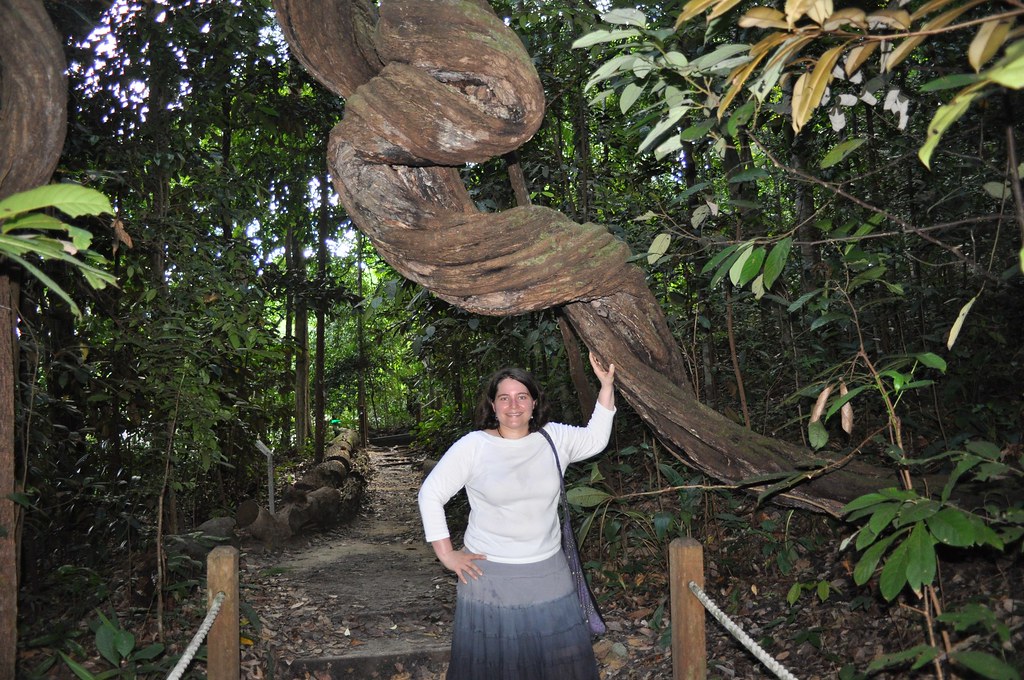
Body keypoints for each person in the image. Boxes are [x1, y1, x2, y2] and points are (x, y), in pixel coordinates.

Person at [417, 352, 616, 680]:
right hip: (488, 577)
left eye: (522, 396)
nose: (513, 405)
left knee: (555, 663)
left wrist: (606, 387)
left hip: (548, 572)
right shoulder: (474, 446)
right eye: (504, 398)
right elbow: (431, 494)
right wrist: (447, 555)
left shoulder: (555, 438)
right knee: (495, 666)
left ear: (534, 403)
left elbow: (596, 439)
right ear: (492, 406)